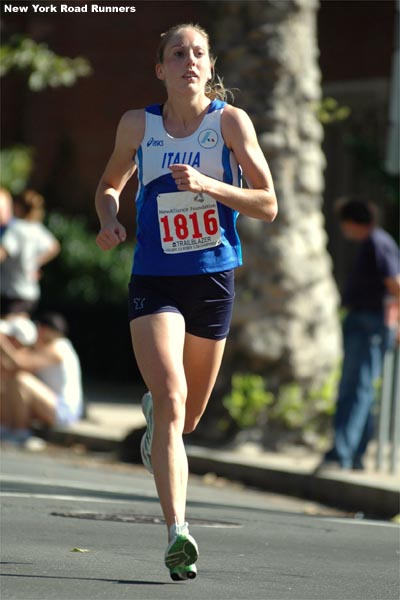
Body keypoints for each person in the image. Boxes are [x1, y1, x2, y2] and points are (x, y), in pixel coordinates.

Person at [95, 23, 277, 581]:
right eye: (178, 53)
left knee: (188, 416)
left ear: (209, 64)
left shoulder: (228, 122)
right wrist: (108, 220)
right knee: (172, 398)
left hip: (212, 280)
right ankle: (178, 532)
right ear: (161, 68)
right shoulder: (137, 124)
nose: (188, 61)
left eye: (198, 53)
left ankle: (161, 425)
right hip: (154, 277)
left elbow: (267, 202)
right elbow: (109, 185)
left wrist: (208, 185)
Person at [321, 199, 400, 471]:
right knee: (360, 389)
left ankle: (342, 452)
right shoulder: (376, 243)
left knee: (357, 389)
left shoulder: (378, 243)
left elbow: (395, 283)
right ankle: (353, 454)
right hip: (364, 322)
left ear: (353, 222)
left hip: (369, 324)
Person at [0, 311, 83, 447]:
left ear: (43, 330)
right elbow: (11, 368)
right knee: (6, 381)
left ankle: (21, 432)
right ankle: (5, 427)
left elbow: (19, 364)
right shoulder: (45, 348)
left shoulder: (59, 347)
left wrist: (3, 343)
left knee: (20, 379)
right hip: (53, 406)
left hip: (65, 411)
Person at [0, 189, 60, 318]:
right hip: (30, 294)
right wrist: (35, 263)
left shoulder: (16, 228)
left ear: (19, 207)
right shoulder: (37, 229)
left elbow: (3, 252)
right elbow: (54, 247)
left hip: (12, 292)